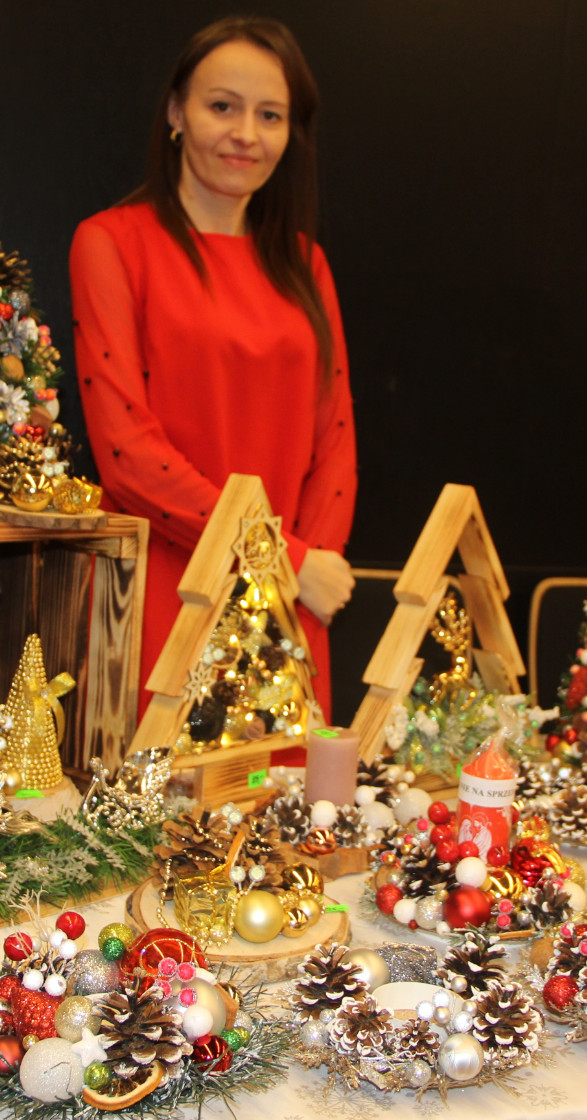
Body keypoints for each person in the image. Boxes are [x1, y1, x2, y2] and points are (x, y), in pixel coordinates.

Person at [70, 15, 356, 721]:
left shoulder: (306, 265)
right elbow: (126, 454)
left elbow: (335, 440)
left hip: (288, 606)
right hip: (170, 592)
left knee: (286, 790)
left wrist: (302, 571)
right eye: (222, 106)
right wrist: (281, 559)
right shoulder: (111, 244)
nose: (245, 134)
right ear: (176, 112)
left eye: (270, 115)